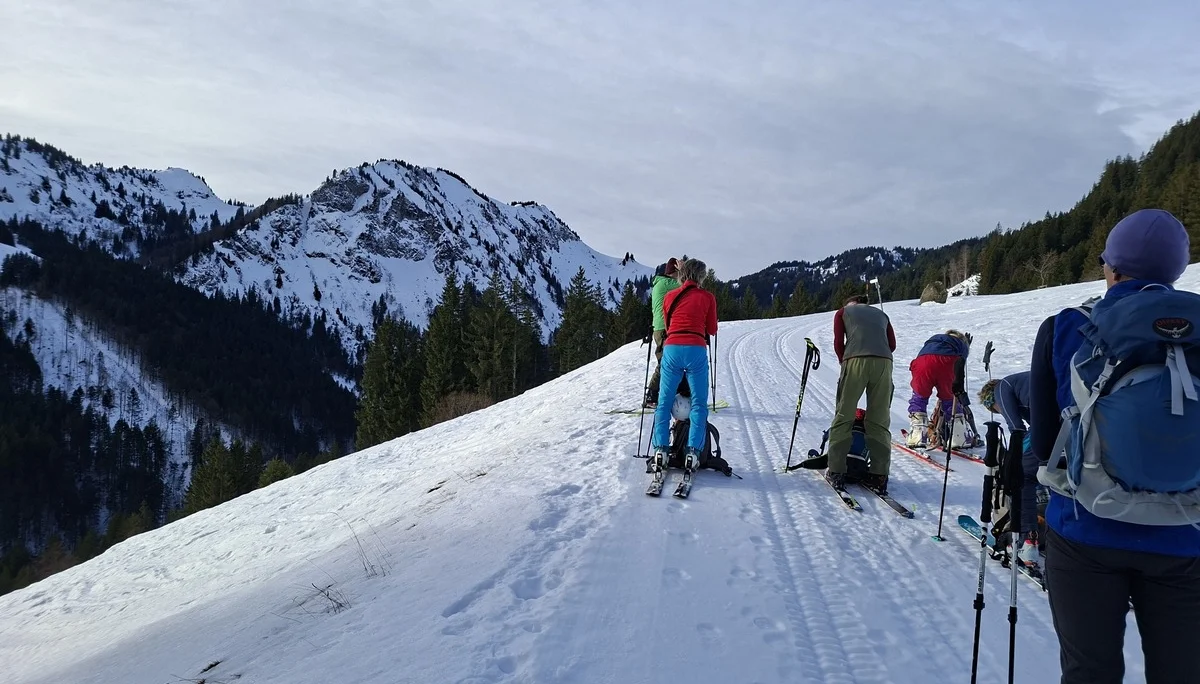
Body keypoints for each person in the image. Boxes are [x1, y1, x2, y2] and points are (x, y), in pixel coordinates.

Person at [1030, 208, 1200, 684]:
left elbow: (1045, 445)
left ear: (1112, 267)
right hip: (1187, 533)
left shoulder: (1067, 325)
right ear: (1175, 270)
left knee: (1090, 671)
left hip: (1087, 527)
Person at [650, 258, 718, 476]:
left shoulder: (670, 296)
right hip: (696, 349)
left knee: (664, 401)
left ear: (682, 274)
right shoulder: (707, 297)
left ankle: (661, 449)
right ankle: (693, 451)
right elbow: (712, 329)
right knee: (698, 403)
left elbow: (668, 325)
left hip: (672, 349)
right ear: (701, 276)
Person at [824, 294, 896, 493]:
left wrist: (844, 361)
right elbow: (892, 345)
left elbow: (839, 341)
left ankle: (837, 471)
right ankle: (879, 476)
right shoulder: (882, 315)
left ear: (849, 304)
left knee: (844, 415)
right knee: (879, 419)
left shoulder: (843, 312)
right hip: (884, 362)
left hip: (855, 360)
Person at [978, 371, 1042, 568]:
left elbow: (1016, 428)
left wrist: (1011, 461)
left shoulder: (1002, 388)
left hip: (1053, 421)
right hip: (1073, 416)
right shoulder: (1022, 385)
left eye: (994, 410)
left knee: (1021, 477)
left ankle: (1026, 540)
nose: (999, 412)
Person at [906, 329, 972, 448]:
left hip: (923, 363)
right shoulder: (961, 344)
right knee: (950, 398)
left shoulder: (935, 340)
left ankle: (918, 434)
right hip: (948, 363)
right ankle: (958, 436)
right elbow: (960, 365)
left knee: (919, 397)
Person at [644, 258, 682, 408]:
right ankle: (652, 395)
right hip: (665, 329)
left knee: (667, 361)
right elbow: (689, 286)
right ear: (675, 272)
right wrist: (686, 271)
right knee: (665, 362)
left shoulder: (661, 283)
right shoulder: (668, 284)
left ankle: (658, 394)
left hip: (660, 328)